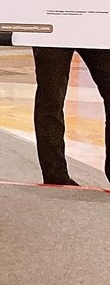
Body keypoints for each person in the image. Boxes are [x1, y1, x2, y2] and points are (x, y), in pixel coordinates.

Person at [31, 45, 110, 185]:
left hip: (96, 32)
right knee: (50, 101)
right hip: (54, 35)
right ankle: (55, 177)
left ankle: (55, 177)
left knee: (50, 102)